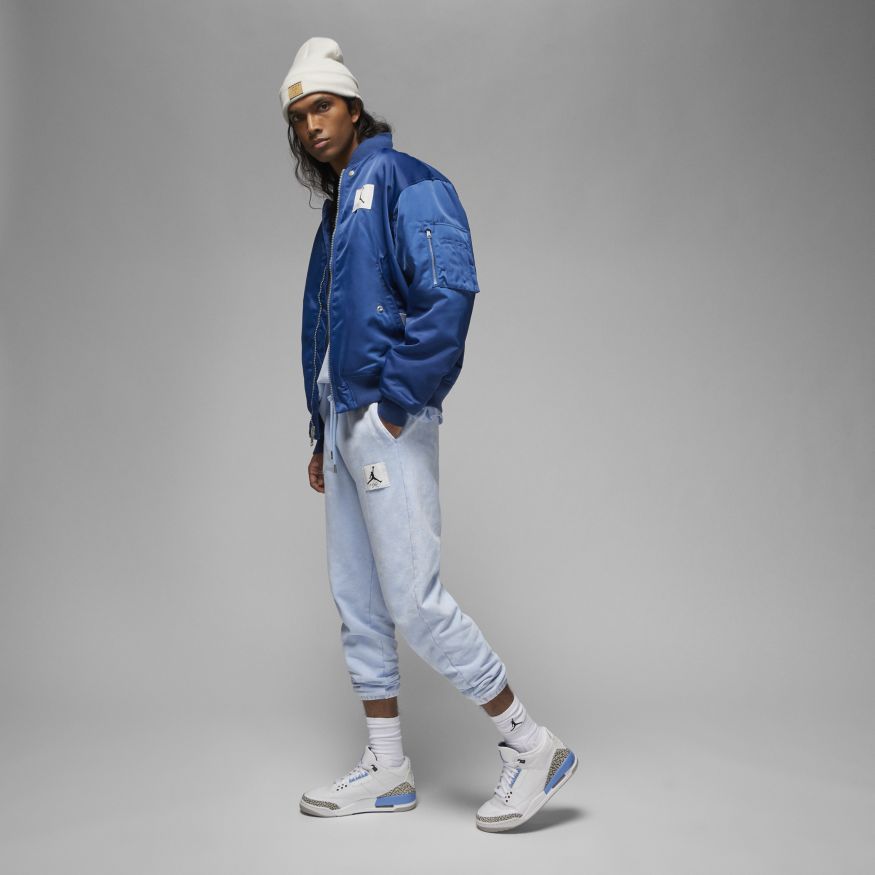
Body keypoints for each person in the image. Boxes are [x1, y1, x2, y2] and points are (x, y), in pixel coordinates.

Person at [279, 37, 577, 832]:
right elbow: (323, 329)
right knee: (358, 601)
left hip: (384, 419)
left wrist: (394, 406)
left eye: (322, 107)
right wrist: (320, 431)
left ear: (353, 107)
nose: (310, 126)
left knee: (414, 600)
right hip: (340, 422)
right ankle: (387, 767)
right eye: (298, 117)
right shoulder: (339, 208)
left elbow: (447, 292)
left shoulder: (406, 181)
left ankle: (531, 743)